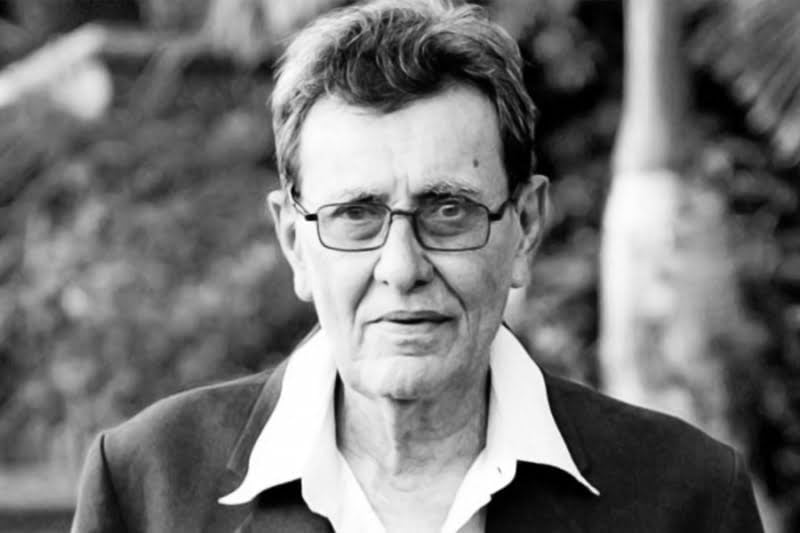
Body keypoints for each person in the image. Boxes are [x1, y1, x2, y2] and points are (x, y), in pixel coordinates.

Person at [71, 1, 764, 531]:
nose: (401, 268)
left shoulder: (689, 497)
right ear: (294, 241)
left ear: (525, 227)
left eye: (448, 210)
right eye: (356, 215)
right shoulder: (146, 486)